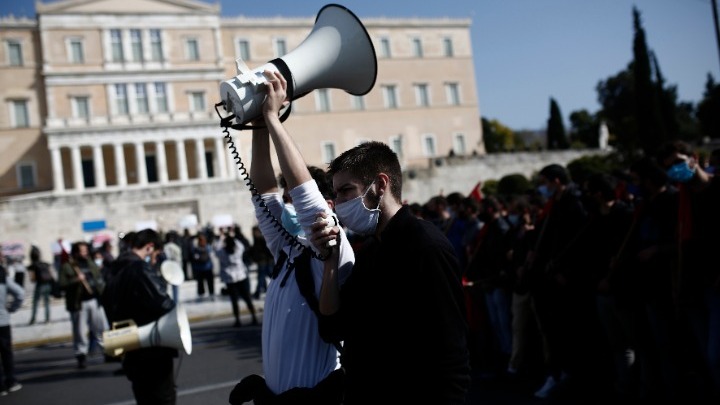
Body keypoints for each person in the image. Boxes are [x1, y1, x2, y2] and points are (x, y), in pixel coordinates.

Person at [228, 70, 354, 405]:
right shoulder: (288, 250)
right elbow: (264, 195)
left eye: (292, 196)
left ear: (328, 205)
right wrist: (256, 126)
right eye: (287, 197)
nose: (287, 202)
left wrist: (273, 119)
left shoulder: (331, 244)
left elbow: (305, 195)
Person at [313, 141, 471, 404]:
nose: (337, 204)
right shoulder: (371, 250)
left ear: (381, 184)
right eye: (336, 194)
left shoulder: (425, 245)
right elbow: (333, 327)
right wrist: (329, 260)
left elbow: (451, 351)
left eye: (346, 191)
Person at [101, 228, 179, 405]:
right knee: (162, 399)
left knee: (144, 399)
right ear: (150, 247)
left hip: (130, 347)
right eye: (156, 254)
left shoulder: (114, 269)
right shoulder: (139, 268)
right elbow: (164, 305)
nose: (155, 259)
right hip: (153, 351)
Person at [59, 240, 107, 369]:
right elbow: (62, 284)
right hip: (79, 303)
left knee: (100, 328)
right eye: (82, 251)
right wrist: (76, 280)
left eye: (86, 250)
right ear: (75, 253)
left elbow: (98, 278)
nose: (85, 253)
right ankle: (81, 355)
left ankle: (107, 351)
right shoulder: (68, 266)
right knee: (80, 331)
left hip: (94, 300)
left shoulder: (90, 263)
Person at [214, 230, 258, 327]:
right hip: (241, 276)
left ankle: (238, 320)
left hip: (230, 280)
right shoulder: (237, 250)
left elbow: (216, 250)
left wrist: (221, 238)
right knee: (247, 298)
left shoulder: (222, 253)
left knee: (234, 301)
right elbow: (241, 245)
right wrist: (232, 236)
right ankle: (254, 317)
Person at [0, 252, 24, 395]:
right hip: (3, 319)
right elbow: (20, 293)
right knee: (6, 353)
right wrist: (11, 309)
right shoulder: (3, 276)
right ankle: (11, 381)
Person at [27, 245, 54, 325]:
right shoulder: (46, 264)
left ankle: (33, 319)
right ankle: (47, 319)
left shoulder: (32, 266)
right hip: (48, 285)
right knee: (47, 303)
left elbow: (33, 279)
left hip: (39, 285)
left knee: (35, 303)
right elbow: (51, 274)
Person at [249, 225, 273, 300]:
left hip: (265, 261)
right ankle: (260, 291)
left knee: (262, 277)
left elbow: (266, 250)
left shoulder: (261, 239)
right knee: (265, 276)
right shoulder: (257, 239)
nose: (252, 233)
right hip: (263, 261)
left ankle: (258, 292)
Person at [190, 233, 214, 301]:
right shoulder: (208, 247)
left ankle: (202, 294)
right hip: (208, 267)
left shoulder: (195, 248)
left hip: (199, 268)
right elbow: (211, 256)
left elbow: (193, 257)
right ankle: (211, 293)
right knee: (209, 282)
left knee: (200, 283)